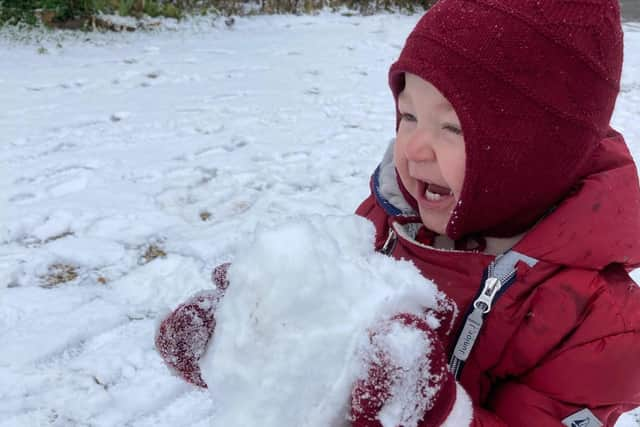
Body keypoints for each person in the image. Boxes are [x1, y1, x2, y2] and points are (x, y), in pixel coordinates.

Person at [155, 0, 640, 425]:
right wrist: (247, 347)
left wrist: (436, 415)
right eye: (408, 116)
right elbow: (322, 360)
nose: (414, 149)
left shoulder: (599, 326)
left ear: (539, 154)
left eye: (452, 128)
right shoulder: (390, 217)